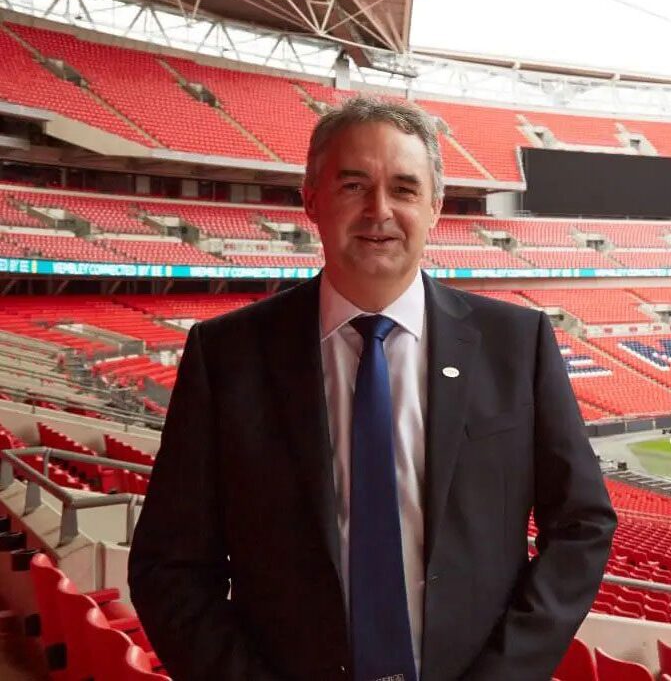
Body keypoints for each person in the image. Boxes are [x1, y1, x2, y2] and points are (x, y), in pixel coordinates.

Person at [128, 96, 617, 681]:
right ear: (311, 199)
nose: (379, 211)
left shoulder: (518, 342)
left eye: (405, 189)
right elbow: (169, 564)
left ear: (436, 206)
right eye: (353, 185)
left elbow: (582, 525)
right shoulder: (226, 355)